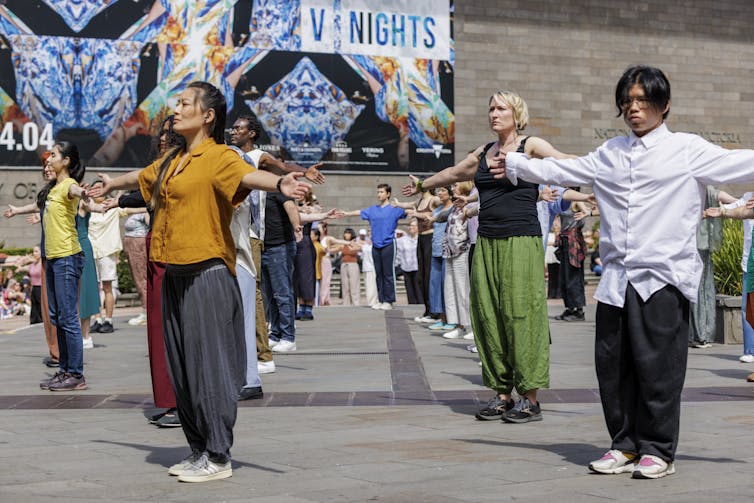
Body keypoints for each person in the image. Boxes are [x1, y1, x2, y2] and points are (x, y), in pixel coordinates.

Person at [496, 65, 754, 479]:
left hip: (664, 277)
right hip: (617, 279)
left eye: (643, 100)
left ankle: (658, 449)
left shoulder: (687, 150)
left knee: (659, 368)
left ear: (663, 105)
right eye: (627, 101)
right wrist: (516, 166)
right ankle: (624, 443)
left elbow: (741, 163)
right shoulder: (611, 152)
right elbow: (565, 170)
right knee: (613, 366)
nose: (634, 108)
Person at [89, 81, 309, 483]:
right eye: (177, 103)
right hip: (173, 272)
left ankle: (219, 455)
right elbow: (144, 176)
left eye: (185, 103)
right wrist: (112, 185)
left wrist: (281, 183)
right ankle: (199, 449)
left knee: (209, 368)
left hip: (207, 272)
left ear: (207, 116)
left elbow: (248, 177)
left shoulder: (220, 156)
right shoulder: (174, 160)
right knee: (183, 368)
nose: (177, 109)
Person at [402, 90, 572, 424]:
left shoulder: (530, 146)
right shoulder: (484, 151)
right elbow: (453, 174)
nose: (493, 113)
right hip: (487, 242)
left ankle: (530, 398)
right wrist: (423, 185)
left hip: (521, 240)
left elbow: (562, 161)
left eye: (500, 108)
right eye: (490, 108)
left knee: (521, 312)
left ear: (516, 113)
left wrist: (605, 168)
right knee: (488, 315)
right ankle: (502, 393)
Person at [37, 141, 89, 391]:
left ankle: (76, 374)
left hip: (68, 256)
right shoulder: (54, 187)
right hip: (54, 258)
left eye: (54, 156)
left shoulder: (68, 184)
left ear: (66, 161)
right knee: (58, 316)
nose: (49, 159)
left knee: (68, 318)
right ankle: (64, 370)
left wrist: (86, 194)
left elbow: (78, 192)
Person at [343, 185, 406, 310]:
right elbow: (359, 212)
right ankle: (381, 299)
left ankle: (389, 300)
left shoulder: (394, 209)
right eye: (378, 192)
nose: (379, 194)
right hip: (375, 245)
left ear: (388, 194)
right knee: (378, 273)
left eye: (381, 192)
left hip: (388, 244)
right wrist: (346, 213)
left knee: (388, 273)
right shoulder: (373, 209)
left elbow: (408, 212)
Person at [395, 220, 422, 305]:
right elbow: (398, 254)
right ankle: (412, 306)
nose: (411, 227)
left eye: (414, 226)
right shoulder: (402, 240)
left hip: (418, 267)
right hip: (406, 268)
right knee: (410, 291)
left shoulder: (421, 238)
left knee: (419, 290)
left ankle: (421, 306)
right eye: (410, 225)